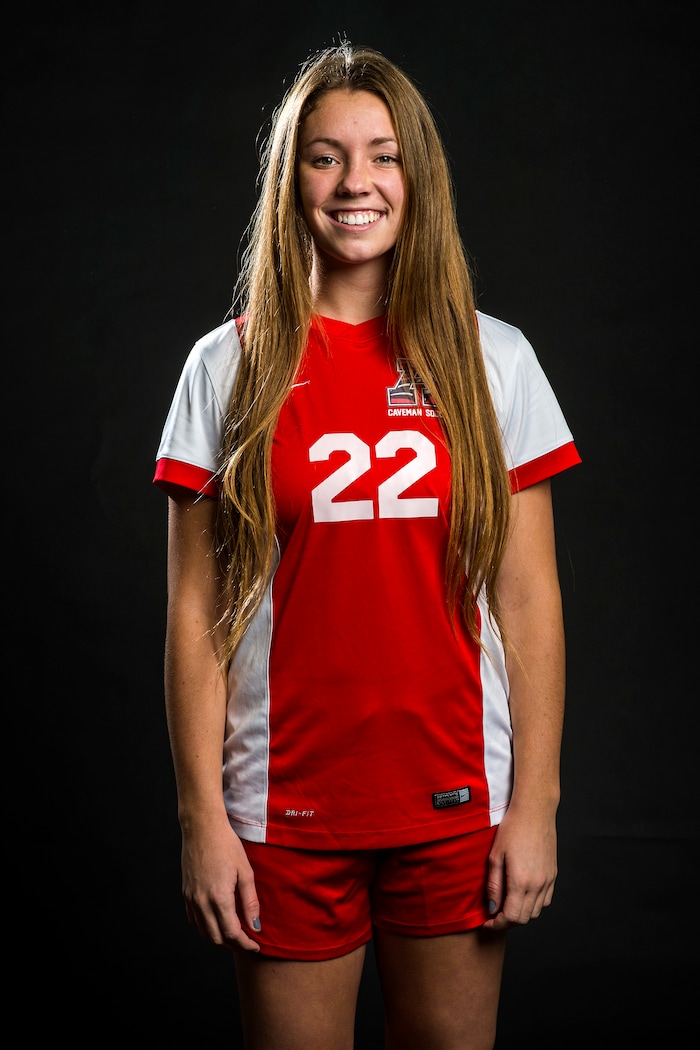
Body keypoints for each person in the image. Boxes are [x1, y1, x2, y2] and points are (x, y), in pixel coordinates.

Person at [153, 40, 581, 1050]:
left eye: (383, 155)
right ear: (288, 177)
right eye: (324, 155)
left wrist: (537, 806)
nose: (355, 183)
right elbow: (191, 616)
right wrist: (200, 820)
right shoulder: (228, 369)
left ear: (415, 176)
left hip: (455, 804)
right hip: (283, 808)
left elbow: (528, 599)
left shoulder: (493, 360)